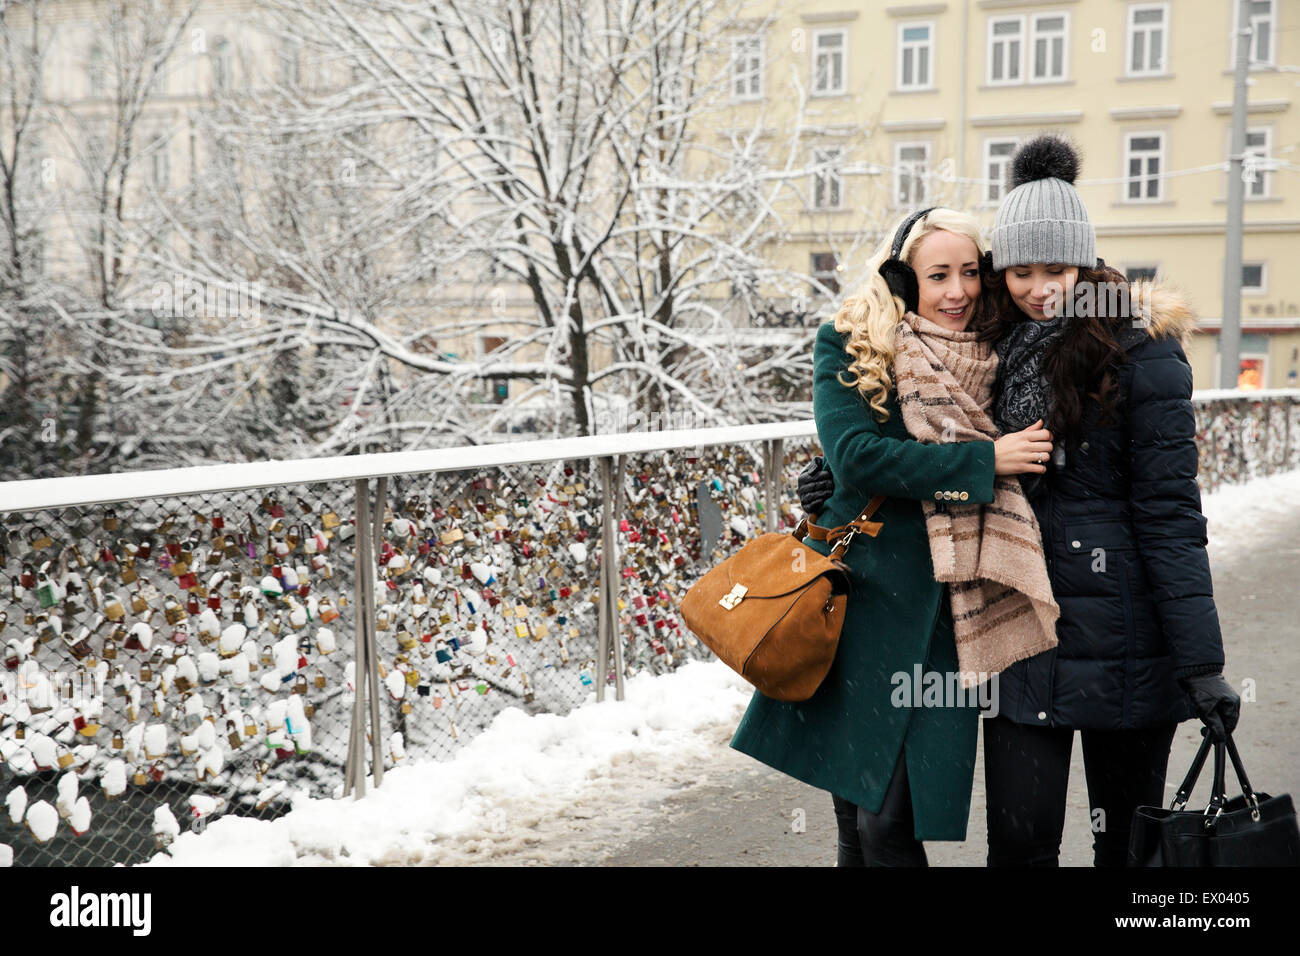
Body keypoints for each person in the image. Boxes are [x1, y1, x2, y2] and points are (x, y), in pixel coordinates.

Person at [799, 135, 1241, 866]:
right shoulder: (989, 344)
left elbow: (1170, 517)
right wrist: (839, 481)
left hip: (1125, 644)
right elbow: (923, 420)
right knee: (1020, 846)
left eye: (1059, 270)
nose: (1040, 288)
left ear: (1088, 265)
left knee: (1125, 851)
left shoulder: (1143, 352)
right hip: (1019, 637)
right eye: (1021, 271)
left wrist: (1202, 662)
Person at [729, 207, 1056, 866]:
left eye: (969, 272)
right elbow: (855, 455)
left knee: (890, 821)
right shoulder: (851, 341)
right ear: (903, 278)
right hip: (861, 604)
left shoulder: (1005, 352)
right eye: (938, 275)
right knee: (859, 819)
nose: (957, 291)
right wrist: (982, 464)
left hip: (946, 612)